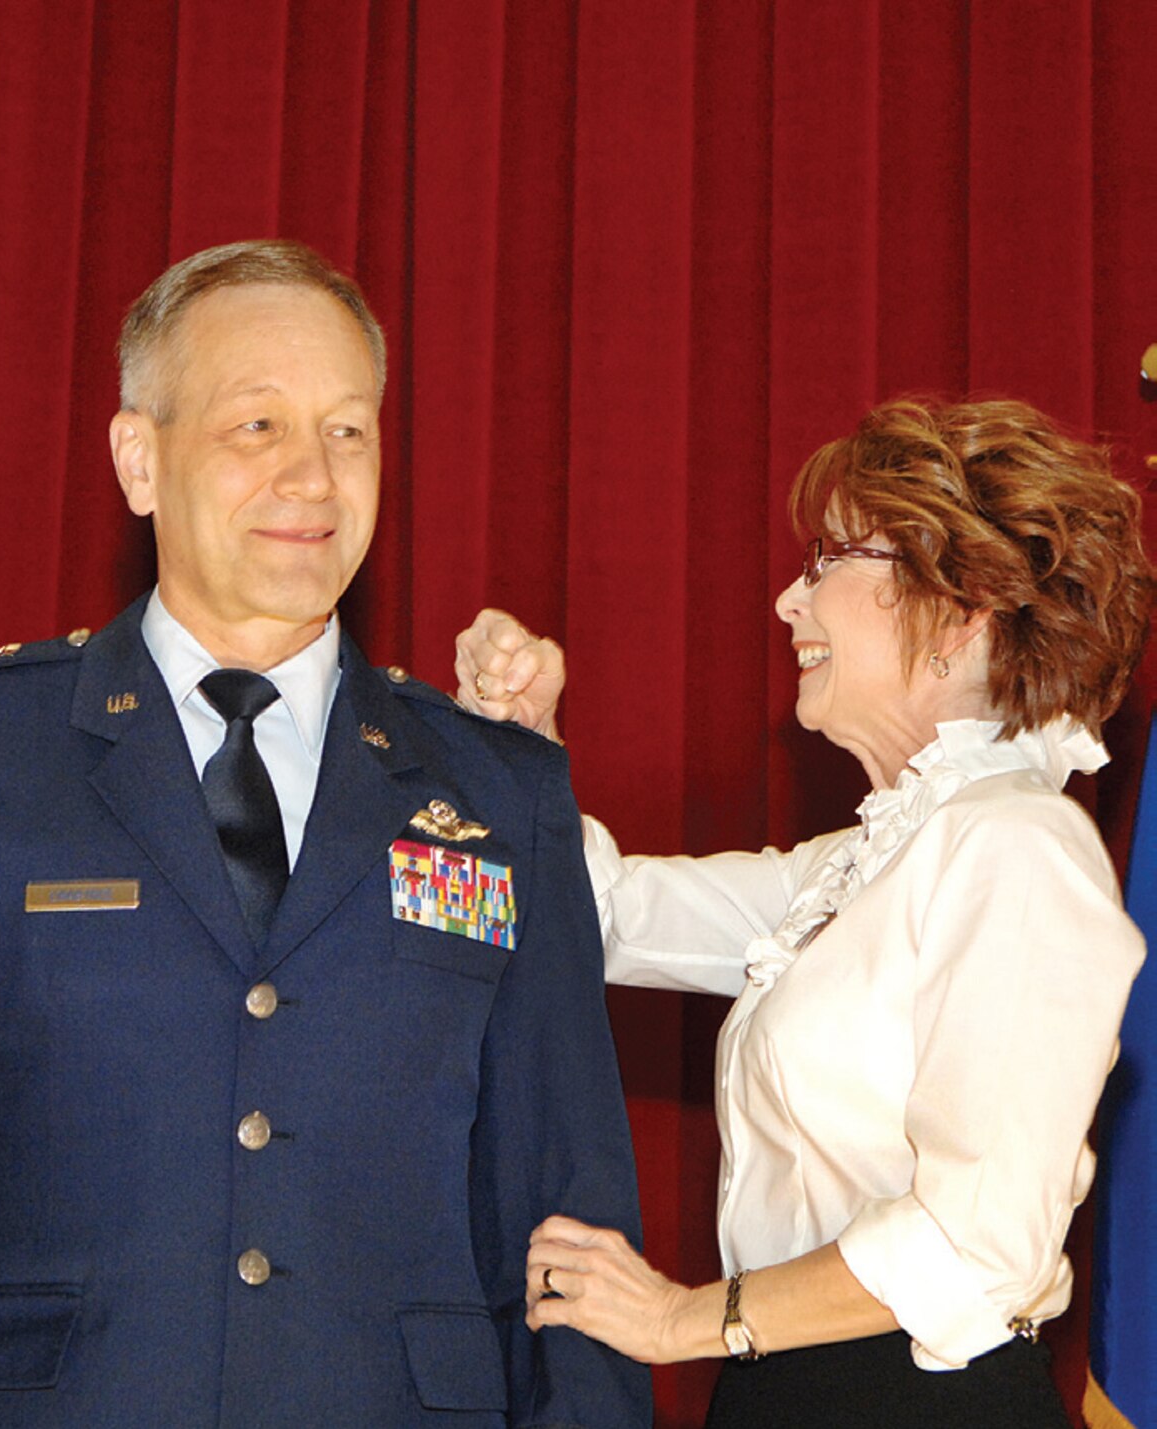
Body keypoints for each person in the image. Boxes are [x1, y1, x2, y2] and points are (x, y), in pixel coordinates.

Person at [0, 240, 649, 1428]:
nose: (312, 478)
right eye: (256, 428)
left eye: (347, 432)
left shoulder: (499, 789)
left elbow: (564, 1200)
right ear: (139, 458)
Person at [455, 396, 1154, 1427]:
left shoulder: (1017, 849)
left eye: (830, 560)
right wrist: (521, 742)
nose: (788, 600)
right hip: (785, 1389)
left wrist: (682, 1320)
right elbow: (591, 917)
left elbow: (977, 1246)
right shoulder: (861, 863)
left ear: (958, 612)